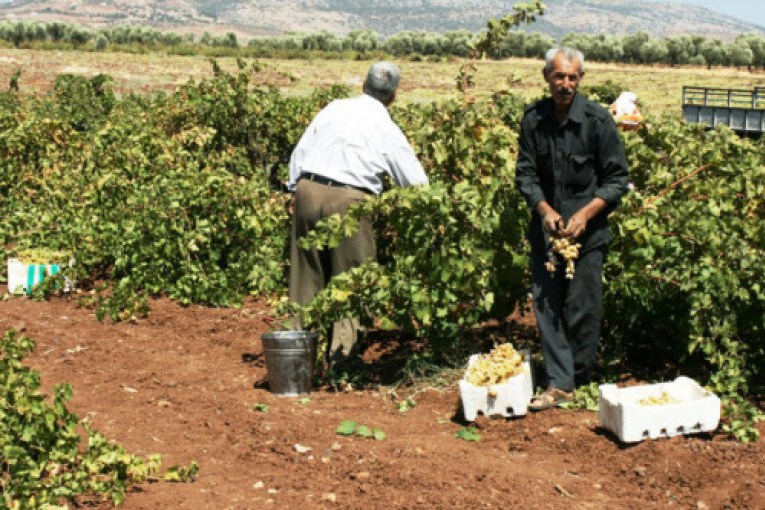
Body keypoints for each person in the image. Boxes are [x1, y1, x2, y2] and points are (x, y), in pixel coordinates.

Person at [286, 61, 428, 366]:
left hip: (308, 191)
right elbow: (416, 183)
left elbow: (300, 150)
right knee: (352, 281)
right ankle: (342, 363)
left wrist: (292, 191)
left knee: (305, 278)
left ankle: (296, 360)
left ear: (364, 85)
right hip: (349, 201)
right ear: (392, 97)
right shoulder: (386, 128)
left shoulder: (334, 108)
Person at [514, 47, 629, 410]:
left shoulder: (597, 121)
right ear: (547, 76)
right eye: (559, 76)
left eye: (572, 78)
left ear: (580, 80)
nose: (565, 84)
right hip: (547, 234)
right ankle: (561, 382)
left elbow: (616, 179)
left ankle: (577, 374)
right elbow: (526, 173)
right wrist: (544, 209)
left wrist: (585, 214)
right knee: (546, 306)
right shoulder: (533, 119)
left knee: (582, 308)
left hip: (588, 235)